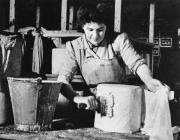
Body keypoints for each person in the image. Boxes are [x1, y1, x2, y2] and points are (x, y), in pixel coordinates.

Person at [57, 2, 173, 140]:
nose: (95, 36)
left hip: (122, 106)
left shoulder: (119, 40)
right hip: (93, 106)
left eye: (100, 30)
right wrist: (77, 97)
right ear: (82, 27)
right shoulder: (74, 47)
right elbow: (62, 79)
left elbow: (137, 63)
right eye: (90, 30)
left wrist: (149, 80)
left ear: (107, 26)